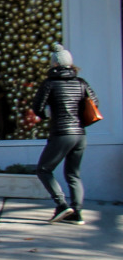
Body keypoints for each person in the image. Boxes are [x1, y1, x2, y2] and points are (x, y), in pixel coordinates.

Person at [32, 45, 99, 224]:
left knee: (43, 169)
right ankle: (77, 213)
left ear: (54, 64)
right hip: (80, 134)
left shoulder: (50, 83)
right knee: (73, 174)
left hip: (61, 132)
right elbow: (94, 103)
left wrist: (48, 113)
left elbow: (37, 107)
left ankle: (61, 205)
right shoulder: (81, 82)